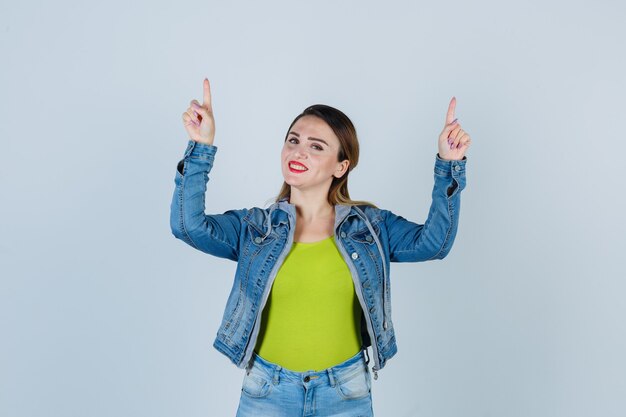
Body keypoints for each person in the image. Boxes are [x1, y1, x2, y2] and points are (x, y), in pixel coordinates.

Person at [170, 78, 470, 416]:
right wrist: (200, 147)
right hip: (267, 390)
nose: (299, 151)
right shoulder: (255, 228)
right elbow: (188, 226)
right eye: (293, 141)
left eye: (317, 146)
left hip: (344, 392)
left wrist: (449, 166)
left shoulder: (370, 228)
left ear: (341, 166)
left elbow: (435, 243)